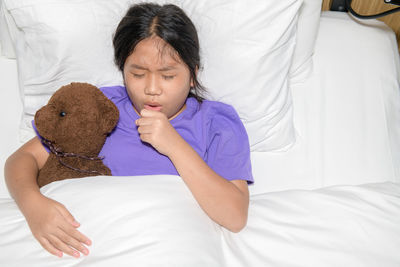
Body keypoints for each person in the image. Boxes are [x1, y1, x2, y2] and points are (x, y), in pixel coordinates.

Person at [4, 3, 253, 259]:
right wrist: (33, 205)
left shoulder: (217, 121)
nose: (152, 89)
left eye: (168, 76)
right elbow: (23, 159)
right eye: (138, 74)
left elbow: (234, 216)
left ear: (193, 75)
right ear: (123, 71)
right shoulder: (100, 106)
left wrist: (174, 145)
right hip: (89, 243)